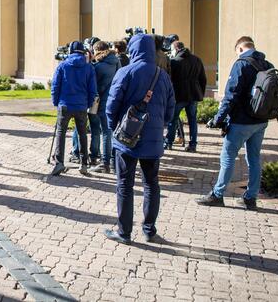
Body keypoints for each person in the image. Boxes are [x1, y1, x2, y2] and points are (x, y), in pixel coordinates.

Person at [104, 33, 175, 245]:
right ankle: (149, 229)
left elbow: (111, 105)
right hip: (153, 139)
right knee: (152, 184)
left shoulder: (125, 72)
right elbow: (170, 110)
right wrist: (160, 126)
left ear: (133, 49)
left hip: (126, 138)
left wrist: (114, 127)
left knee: (124, 184)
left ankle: (124, 232)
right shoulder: (163, 76)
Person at [196, 36, 273, 211]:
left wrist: (218, 119)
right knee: (254, 159)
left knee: (228, 157)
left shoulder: (241, 64)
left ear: (239, 49)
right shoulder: (267, 65)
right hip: (260, 121)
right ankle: (250, 198)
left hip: (241, 121)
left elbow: (231, 95)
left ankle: (217, 194)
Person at [49, 41, 97, 176]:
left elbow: (55, 86)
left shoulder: (63, 65)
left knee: (61, 133)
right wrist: (87, 104)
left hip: (64, 104)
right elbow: (92, 90)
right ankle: (84, 164)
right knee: (82, 134)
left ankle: (59, 163)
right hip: (81, 105)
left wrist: (55, 102)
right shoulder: (88, 68)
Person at [164, 41, 207, 152]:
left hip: (179, 95)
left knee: (173, 120)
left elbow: (169, 80)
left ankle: (169, 142)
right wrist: (200, 93)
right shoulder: (197, 59)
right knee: (192, 120)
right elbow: (203, 79)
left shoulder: (174, 61)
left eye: (172, 50)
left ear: (176, 49)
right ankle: (193, 144)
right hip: (193, 95)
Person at [88, 41, 121, 173]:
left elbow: (96, 88)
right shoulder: (117, 62)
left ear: (97, 51)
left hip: (104, 103)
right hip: (116, 101)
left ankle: (105, 163)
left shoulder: (98, 67)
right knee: (114, 132)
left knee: (106, 133)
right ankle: (114, 162)